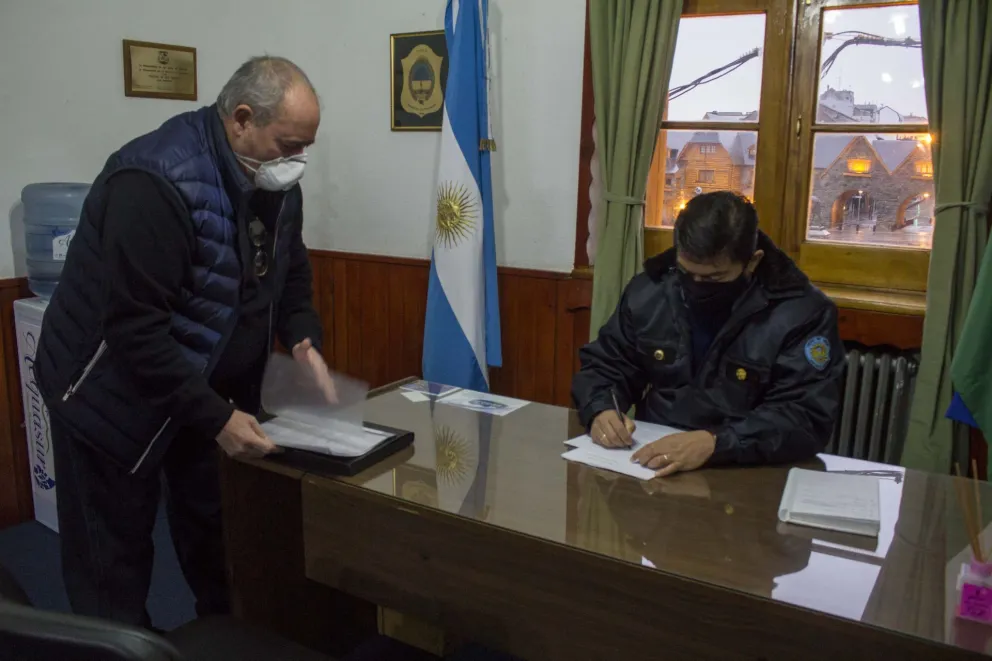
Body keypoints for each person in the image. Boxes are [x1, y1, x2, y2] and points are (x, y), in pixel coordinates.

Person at [33, 56, 334, 628]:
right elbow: (134, 332)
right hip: (105, 398)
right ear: (241, 119)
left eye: (305, 148)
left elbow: (289, 275)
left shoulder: (271, 175)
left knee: (217, 533)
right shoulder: (152, 179)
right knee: (113, 563)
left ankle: (223, 637)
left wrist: (302, 343)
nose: (296, 161)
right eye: (289, 144)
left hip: (201, 392)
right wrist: (216, 416)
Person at [572, 191, 844, 477]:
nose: (696, 286)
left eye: (714, 278)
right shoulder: (651, 291)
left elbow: (804, 417)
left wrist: (715, 443)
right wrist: (601, 408)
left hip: (748, 468)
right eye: (686, 273)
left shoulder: (802, 312)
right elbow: (607, 364)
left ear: (752, 262)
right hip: (653, 459)